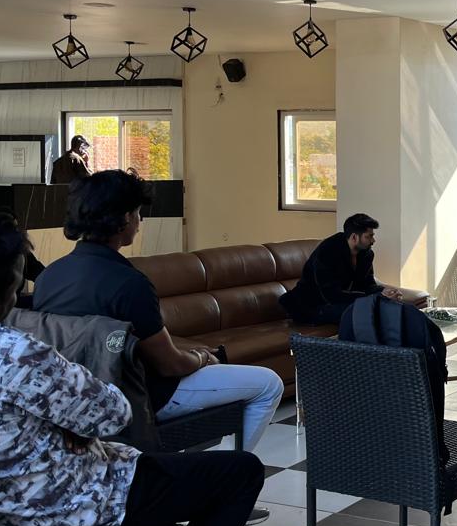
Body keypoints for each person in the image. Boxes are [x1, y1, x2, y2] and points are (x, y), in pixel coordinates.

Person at [0, 210, 264, 526]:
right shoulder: (11, 353)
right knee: (239, 473)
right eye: (18, 281)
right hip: (66, 504)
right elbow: (114, 413)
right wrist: (66, 422)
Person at [34, 171, 284, 462]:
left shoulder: (48, 277)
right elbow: (169, 365)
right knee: (268, 384)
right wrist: (203, 357)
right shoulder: (129, 283)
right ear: (126, 218)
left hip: (73, 397)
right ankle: (220, 480)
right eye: (139, 214)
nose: (140, 223)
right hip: (141, 397)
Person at [279, 213, 424, 325]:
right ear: (354, 237)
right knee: (365, 310)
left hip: (335, 302)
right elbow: (331, 296)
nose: (373, 240)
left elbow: (368, 285)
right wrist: (374, 298)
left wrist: (383, 292)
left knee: (387, 305)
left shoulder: (366, 254)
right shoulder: (327, 253)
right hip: (311, 306)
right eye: (369, 236)